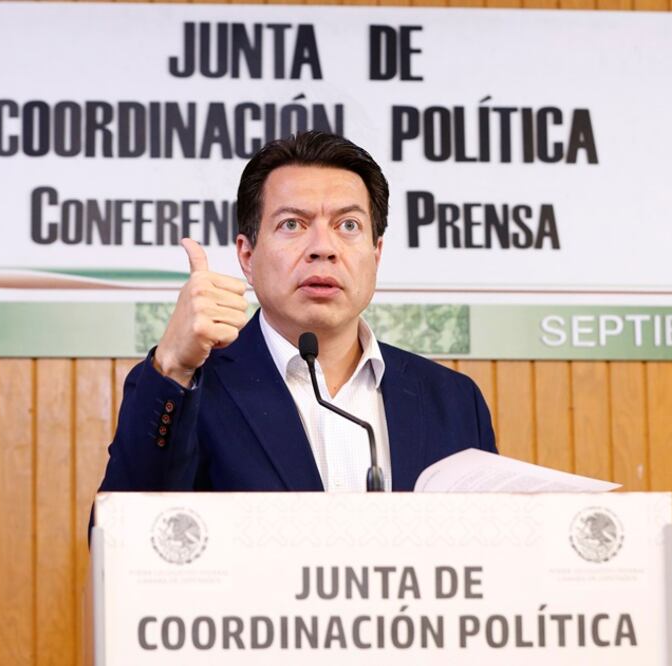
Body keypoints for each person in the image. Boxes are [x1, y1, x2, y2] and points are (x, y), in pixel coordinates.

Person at [98, 131, 496, 494]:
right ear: (247, 255)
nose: (323, 247)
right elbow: (118, 539)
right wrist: (172, 367)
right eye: (292, 224)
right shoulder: (188, 389)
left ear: (376, 253)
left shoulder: (454, 402)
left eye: (348, 225)